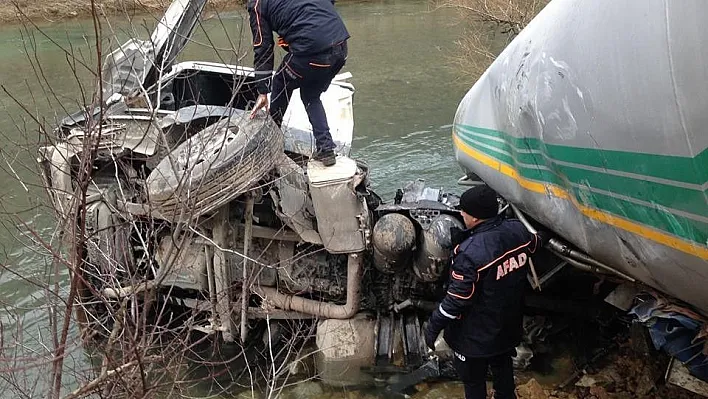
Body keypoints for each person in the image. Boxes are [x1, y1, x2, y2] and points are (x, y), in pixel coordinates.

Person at [424, 184, 543, 399]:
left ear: (476, 218)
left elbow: (456, 301)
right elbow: (536, 243)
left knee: (474, 383)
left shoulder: (470, 254)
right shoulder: (518, 231)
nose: (461, 214)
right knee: (503, 372)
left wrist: (432, 328)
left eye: (464, 211)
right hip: (507, 327)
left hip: (474, 338)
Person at [246, 0, 350, 167]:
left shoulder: (257, 5)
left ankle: (269, 140)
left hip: (313, 53)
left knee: (280, 81)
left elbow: (263, 47)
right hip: (340, 47)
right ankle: (326, 149)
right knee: (310, 95)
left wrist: (263, 90)